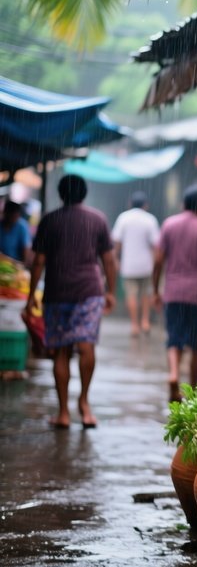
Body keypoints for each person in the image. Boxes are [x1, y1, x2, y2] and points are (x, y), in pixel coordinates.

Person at [23, 175, 116, 429]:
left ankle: (63, 412)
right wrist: (111, 291)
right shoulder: (98, 219)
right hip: (89, 291)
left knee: (61, 352)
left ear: (61, 194)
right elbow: (109, 260)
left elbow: (38, 261)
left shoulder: (50, 220)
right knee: (87, 348)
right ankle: (84, 403)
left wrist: (32, 296)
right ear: (83, 193)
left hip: (57, 292)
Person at [152, 185, 197, 402]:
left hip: (173, 292)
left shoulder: (169, 225)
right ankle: (192, 389)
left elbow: (158, 261)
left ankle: (174, 374)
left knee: (174, 339)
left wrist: (156, 289)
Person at [111, 191, 160, 338]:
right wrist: (156, 263)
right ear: (146, 205)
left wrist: (115, 259)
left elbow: (117, 242)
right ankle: (145, 322)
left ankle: (134, 325)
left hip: (129, 264)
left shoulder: (123, 218)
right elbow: (155, 244)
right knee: (145, 294)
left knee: (131, 295)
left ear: (130, 203)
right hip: (146, 265)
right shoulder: (150, 219)